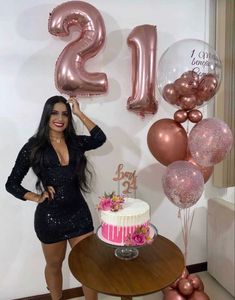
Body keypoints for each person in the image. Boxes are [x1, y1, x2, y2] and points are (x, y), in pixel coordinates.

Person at [5, 95, 106, 300]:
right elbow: (11, 183)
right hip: (50, 218)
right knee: (54, 265)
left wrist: (78, 112)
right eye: (54, 113)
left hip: (79, 213)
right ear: (47, 116)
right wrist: (35, 196)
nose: (60, 118)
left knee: (88, 266)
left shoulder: (76, 142)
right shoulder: (33, 147)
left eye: (65, 114)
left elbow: (99, 138)